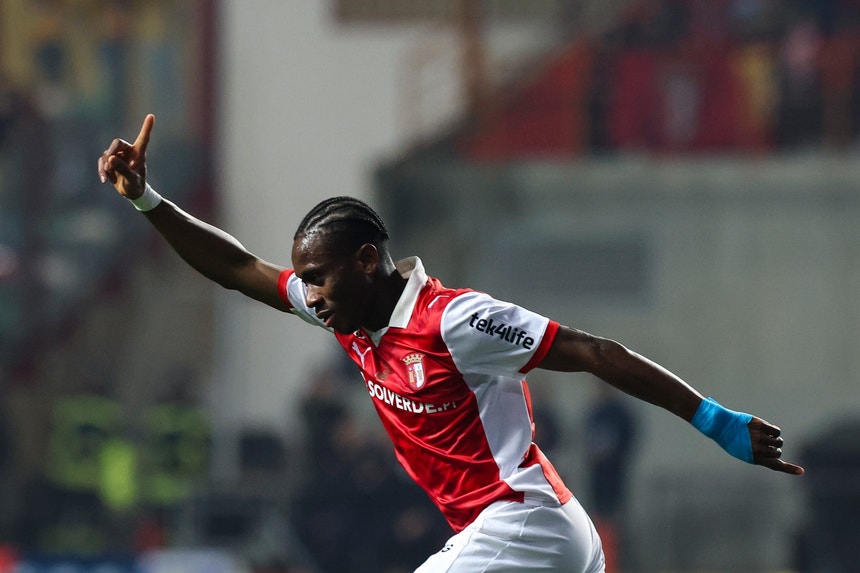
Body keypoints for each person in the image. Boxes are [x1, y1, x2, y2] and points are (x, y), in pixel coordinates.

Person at [97, 114, 804, 573]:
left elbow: (594, 351)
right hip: (538, 537)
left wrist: (712, 418)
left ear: (367, 261)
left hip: (528, 524)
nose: (308, 294)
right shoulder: (345, 318)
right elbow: (236, 268)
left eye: (319, 276)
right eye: (305, 282)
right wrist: (145, 199)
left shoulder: (454, 321)